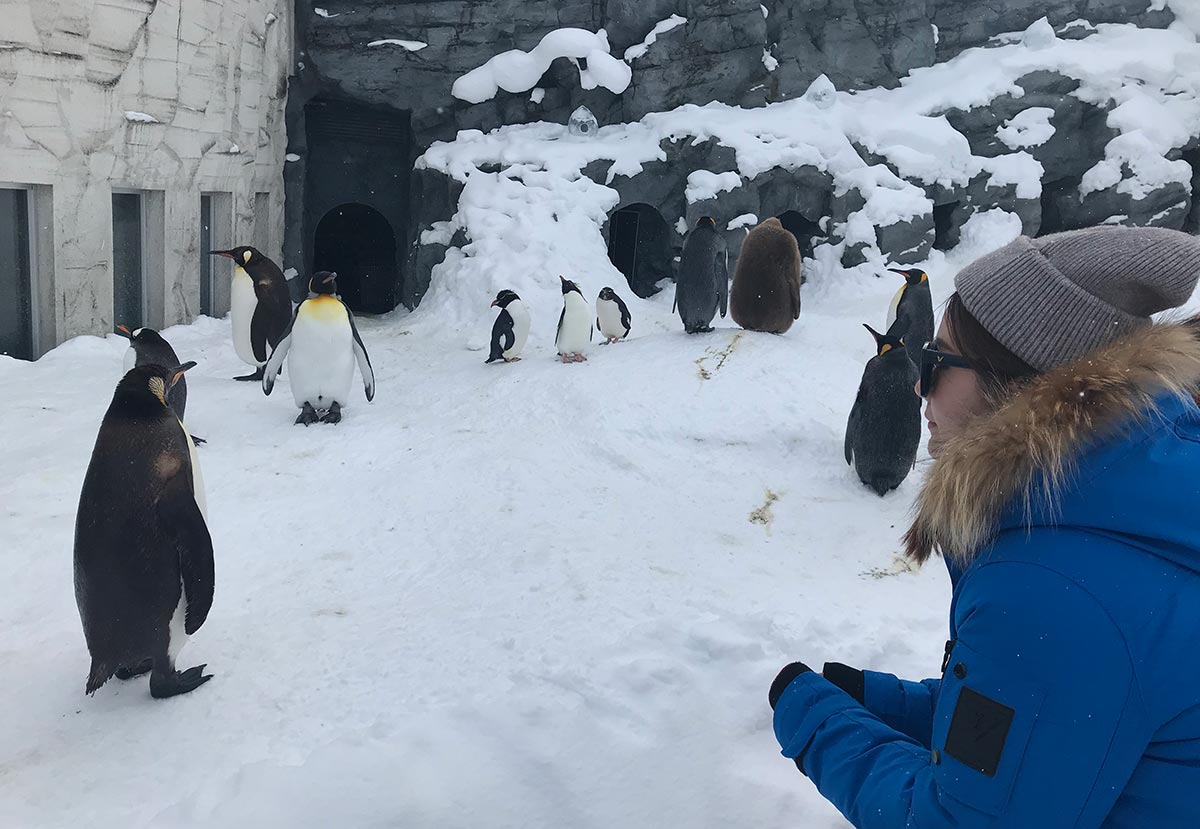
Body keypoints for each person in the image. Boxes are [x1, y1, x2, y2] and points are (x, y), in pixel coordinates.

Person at [769, 225, 1200, 827]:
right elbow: (1051, 722)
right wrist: (885, 703)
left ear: (1021, 382)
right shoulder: (1123, 502)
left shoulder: (1051, 587)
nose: (918, 384)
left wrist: (812, 717)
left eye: (937, 361)